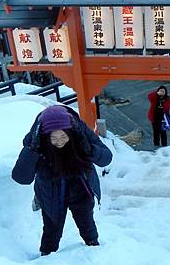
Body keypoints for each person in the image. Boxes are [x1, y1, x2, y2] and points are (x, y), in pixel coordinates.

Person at [12, 104, 112, 256]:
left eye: (64, 136)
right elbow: (21, 178)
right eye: (54, 138)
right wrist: (32, 150)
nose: (59, 142)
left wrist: (89, 150)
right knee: (52, 230)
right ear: (46, 136)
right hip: (50, 192)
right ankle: (46, 258)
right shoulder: (36, 141)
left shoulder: (80, 133)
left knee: (87, 224)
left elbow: (106, 158)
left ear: (70, 133)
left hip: (81, 187)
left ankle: (95, 251)